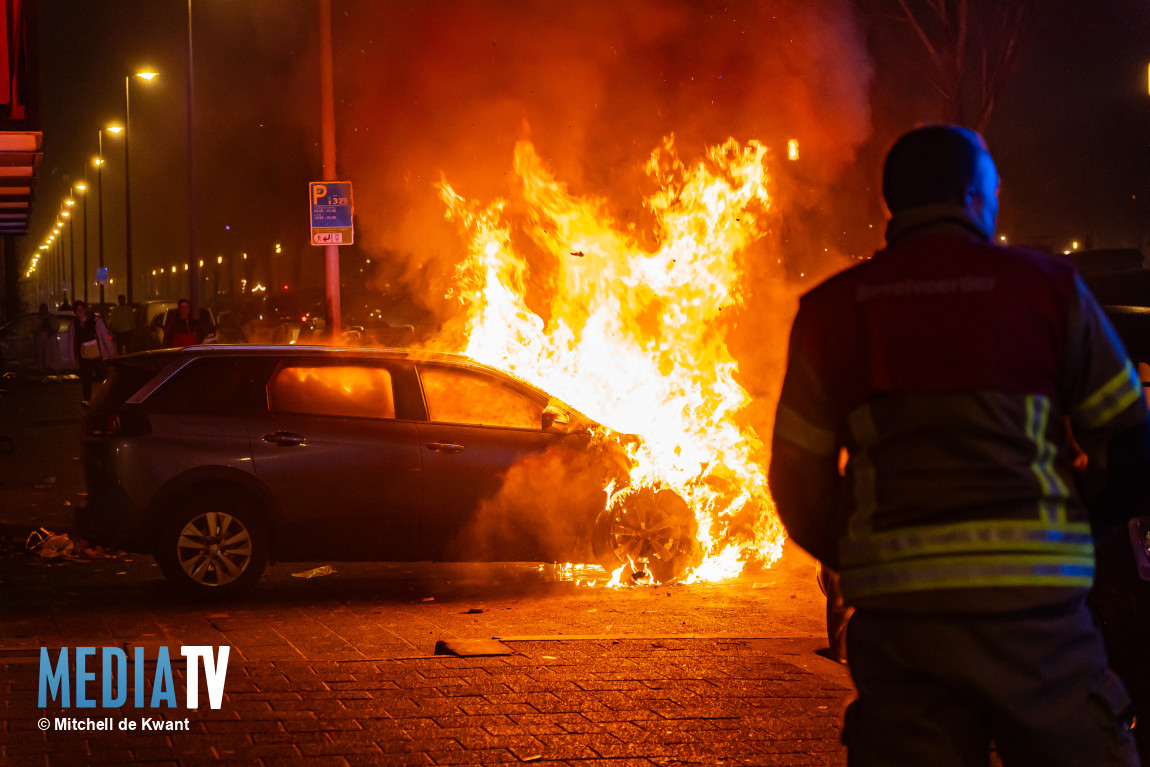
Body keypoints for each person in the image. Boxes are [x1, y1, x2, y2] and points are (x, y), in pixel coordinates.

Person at [769, 125, 1150, 766]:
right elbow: (1131, 446)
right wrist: (1075, 533)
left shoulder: (833, 311)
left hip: (900, 626)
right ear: (976, 197)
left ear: (896, 205)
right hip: (1038, 621)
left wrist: (865, 554)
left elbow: (796, 478)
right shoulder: (1049, 293)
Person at [72, 300, 114, 404]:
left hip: (98, 355)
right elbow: (71, 342)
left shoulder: (95, 321)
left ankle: (106, 398)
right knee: (86, 380)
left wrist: (110, 353)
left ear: (85, 309)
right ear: (75, 312)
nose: (80, 311)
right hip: (84, 357)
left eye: (81, 309)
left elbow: (104, 337)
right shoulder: (74, 325)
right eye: (77, 310)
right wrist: (72, 359)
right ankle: (87, 400)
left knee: (103, 378)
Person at [34, 303, 60, 380]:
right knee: (43, 358)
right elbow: (34, 329)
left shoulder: (52, 318)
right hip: (41, 342)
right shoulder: (36, 319)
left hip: (51, 342)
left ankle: (57, 376)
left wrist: (50, 329)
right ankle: (44, 375)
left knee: (53, 358)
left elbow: (56, 328)